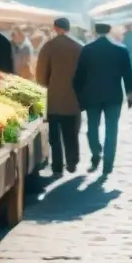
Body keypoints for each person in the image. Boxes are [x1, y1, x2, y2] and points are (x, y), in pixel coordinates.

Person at [73, 23, 132, 175]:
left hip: (92, 95)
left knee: (92, 127)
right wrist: (129, 94)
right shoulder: (121, 49)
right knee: (111, 130)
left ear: (94, 31)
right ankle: (108, 164)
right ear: (109, 31)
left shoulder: (87, 49)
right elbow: (128, 75)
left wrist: (79, 96)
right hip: (113, 96)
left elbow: (79, 76)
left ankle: (95, 154)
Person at [35, 17, 83, 175]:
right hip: (73, 99)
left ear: (55, 28)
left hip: (53, 99)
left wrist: (44, 88)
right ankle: (72, 162)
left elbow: (41, 75)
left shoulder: (48, 46)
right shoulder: (79, 47)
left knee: (55, 136)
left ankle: (57, 166)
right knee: (72, 133)